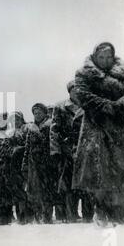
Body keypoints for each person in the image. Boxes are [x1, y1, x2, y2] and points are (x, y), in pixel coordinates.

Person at [72, 42, 124, 225]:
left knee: (121, 167)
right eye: (101, 57)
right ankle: (101, 210)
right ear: (95, 57)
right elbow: (83, 95)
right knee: (98, 170)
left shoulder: (122, 73)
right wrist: (106, 106)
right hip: (96, 126)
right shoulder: (84, 74)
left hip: (120, 126)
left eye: (109, 57)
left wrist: (120, 106)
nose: (105, 61)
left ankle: (119, 210)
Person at [50, 80, 81, 222]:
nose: (77, 91)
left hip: (83, 148)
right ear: (69, 91)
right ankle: (71, 214)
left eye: (79, 88)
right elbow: (54, 130)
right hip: (66, 149)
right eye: (74, 89)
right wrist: (55, 150)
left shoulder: (87, 105)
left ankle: (87, 214)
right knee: (68, 184)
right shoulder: (60, 106)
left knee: (85, 181)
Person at [22, 103, 57, 224]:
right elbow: (27, 148)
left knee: (47, 190)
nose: (37, 115)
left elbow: (54, 144)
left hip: (47, 163)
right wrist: (25, 164)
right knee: (35, 191)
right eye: (35, 113)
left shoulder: (50, 125)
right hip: (34, 165)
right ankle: (38, 216)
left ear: (45, 113)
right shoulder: (31, 129)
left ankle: (47, 216)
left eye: (39, 113)